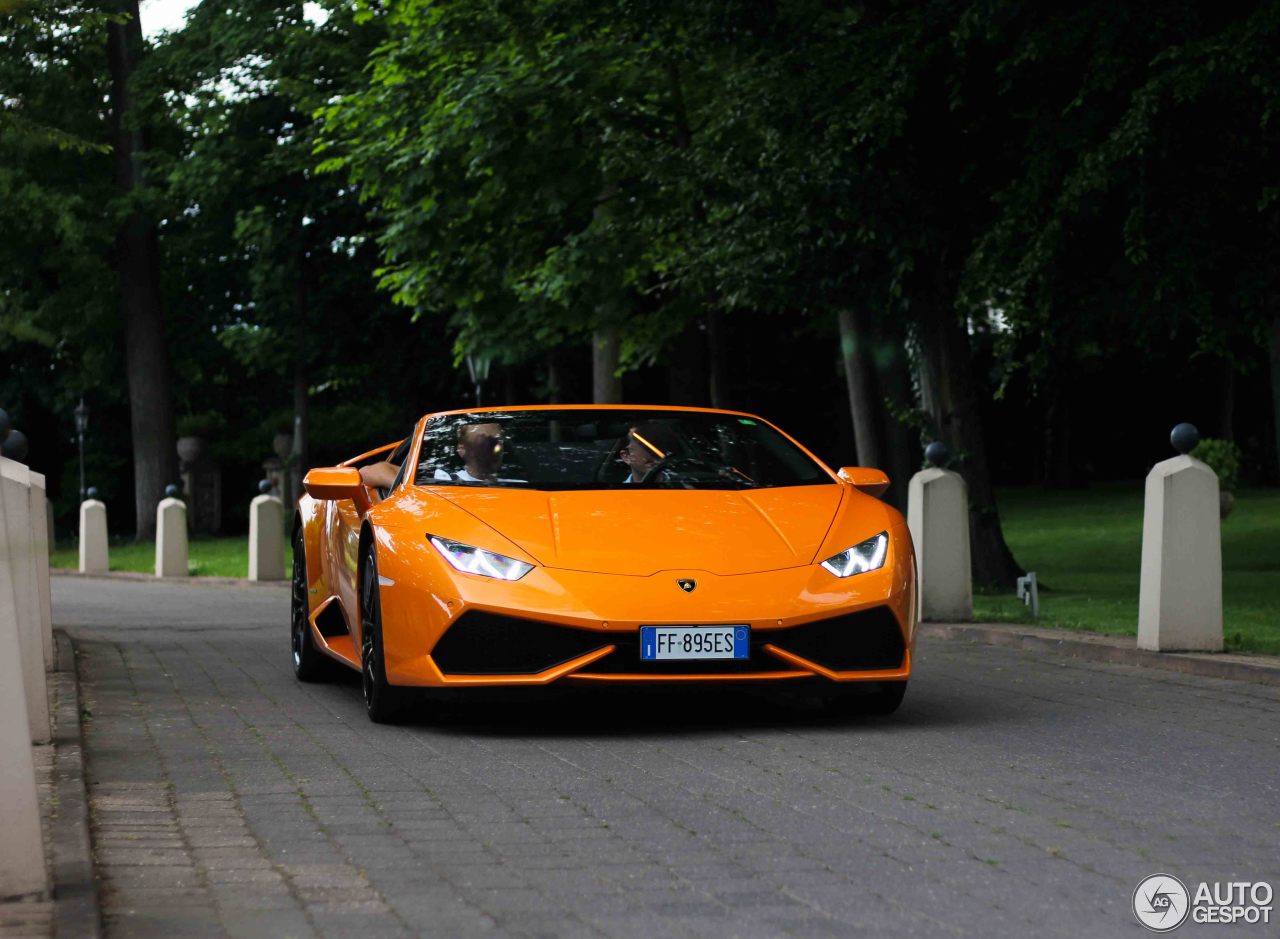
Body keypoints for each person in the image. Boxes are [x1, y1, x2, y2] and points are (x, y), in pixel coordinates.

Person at [357, 421, 507, 489]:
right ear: (462, 450)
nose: (495, 449)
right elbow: (368, 472)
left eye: (498, 442)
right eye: (484, 443)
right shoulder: (441, 480)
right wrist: (408, 489)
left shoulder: (517, 482)